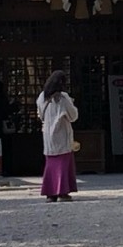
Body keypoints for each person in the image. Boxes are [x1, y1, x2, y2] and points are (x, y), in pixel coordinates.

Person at [37, 70, 79, 202]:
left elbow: (40, 114)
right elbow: (73, 116)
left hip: (48, 134)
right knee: (63, 163)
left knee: (51, 164)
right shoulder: (62, 98)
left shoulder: (42, 97)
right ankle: (62, 192)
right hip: (61, 133)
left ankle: (50, 193)